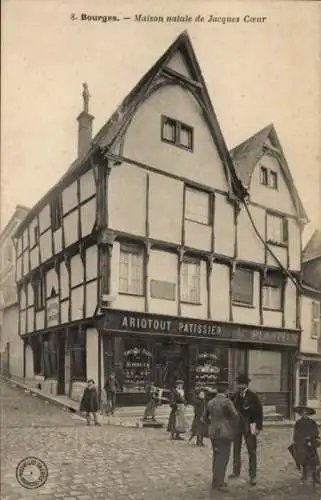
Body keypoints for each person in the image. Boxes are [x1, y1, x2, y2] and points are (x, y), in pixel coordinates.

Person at [229, 374, 263, 486]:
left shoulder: (253, 396)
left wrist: (258, 427)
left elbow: (259, 413)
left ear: (246, 384)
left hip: (250, 425)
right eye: (238, 384)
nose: (239, 386)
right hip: (237, 426)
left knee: (252, 451)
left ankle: (253, 476)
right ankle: (235, 471)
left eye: (242, 384)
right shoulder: (235, 396)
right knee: (236, 449)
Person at [207, 382, 239, 492]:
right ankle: (219, 483)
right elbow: (235, 416)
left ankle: (215, 480)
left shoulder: (210, 402)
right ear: (226, 391)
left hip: (213, 432)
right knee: (223, 457)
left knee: (216, 456)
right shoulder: (227, 402)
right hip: (224, 432)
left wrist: (212, 424)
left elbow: (204, 417)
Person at [292, 405, 321, 485]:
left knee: (313, 461)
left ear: (308, 414)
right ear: (300, 414)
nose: (304, 414)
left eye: (306, 413)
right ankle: (304, 475)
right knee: (304, 461)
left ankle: (315, 476)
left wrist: (311, 437)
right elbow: (296, 434)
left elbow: (316, 432)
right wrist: (301, 438)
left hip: (311, 444)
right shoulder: (298, 423)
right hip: (302, 444)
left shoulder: (312, 422)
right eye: (303, 413)